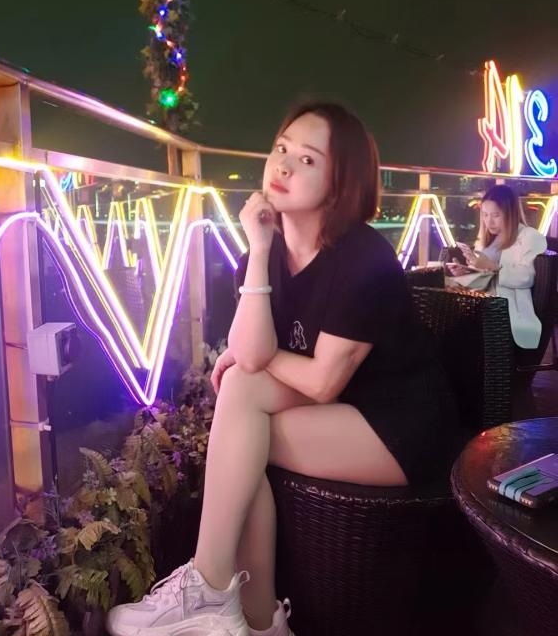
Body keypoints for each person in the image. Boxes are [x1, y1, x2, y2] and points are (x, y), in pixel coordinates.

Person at [106, 102, 458, 636]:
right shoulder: (265, 251)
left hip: (399, 423)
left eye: (308, 159)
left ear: (341, 182)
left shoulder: (364, 258)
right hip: (337, 406)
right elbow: (251, 358)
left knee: (243, 434)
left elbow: (321, 381)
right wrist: (259, 246)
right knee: (243, 413)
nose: (284, 165)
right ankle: (249, 616)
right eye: (281, 148)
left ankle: (222, 595)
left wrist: (251, 356)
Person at [447, 184, 547, 348]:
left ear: (510, 213)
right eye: (485, 215)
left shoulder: (529, 237)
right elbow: (486, 282)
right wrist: (465, 274)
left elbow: (526, 278)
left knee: (452, 327)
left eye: (496, 215)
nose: (489, 221)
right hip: (484, 304)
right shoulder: (488, 240)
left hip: (506, 312)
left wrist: (491, 266)